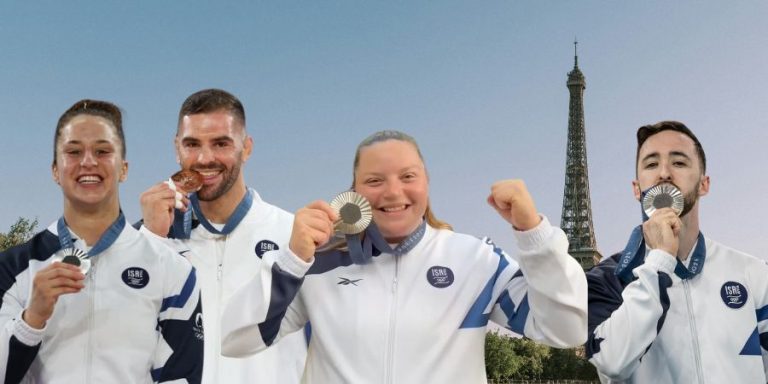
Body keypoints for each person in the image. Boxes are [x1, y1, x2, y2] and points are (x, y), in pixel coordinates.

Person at [219, 130, 588, 383]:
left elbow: (566, 329)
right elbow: (235, 339)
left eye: (407, 176)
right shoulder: (318, 265)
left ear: (427, 182)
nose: (393, 192)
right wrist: (292, 261)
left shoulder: (476, 259)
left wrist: (535, 235)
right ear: (354, 192)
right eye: (375, 180)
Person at [0, 99, 203, 383]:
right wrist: (31, 319)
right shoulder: (12, 267)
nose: (88, 161)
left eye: (103, 150)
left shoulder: (173, 269)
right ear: (55, 170)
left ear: (124, 168)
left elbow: (182, 376)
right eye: (73, 151)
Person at [139, 89, 306, 383]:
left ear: (247, 147)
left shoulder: (293, 236)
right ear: (176, 148)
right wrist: (149, 241)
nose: (205, 158)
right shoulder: (150, 235)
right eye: (192, 144)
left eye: (221, 143)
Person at [586, 121, 768, 383]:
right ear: (637, 188)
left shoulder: (756, 274)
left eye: (679, 163)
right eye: (650, 164)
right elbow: (612, 362)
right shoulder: (607, 278)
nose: (663, 173)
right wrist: (660, 261)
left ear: (704, 184)